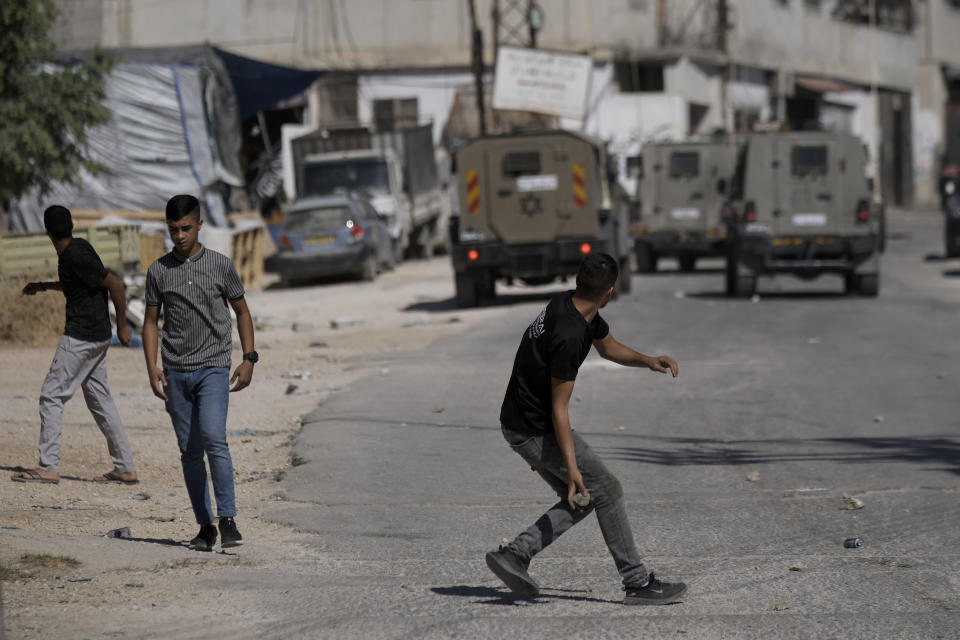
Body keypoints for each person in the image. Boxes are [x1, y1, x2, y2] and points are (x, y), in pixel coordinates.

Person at [487, 253, 687, 605]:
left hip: (520, 423)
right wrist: (574, 469)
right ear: (609, 291)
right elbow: (559, 409)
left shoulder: (569, 304)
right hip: (534, 429)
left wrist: (647, 360)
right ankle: (637, 583)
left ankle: (516, 555)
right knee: (605, 489)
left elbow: (608, 347)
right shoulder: (569, 334)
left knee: (583, 498)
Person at [142, 194, 257, 552]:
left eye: (186, 228)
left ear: (200, 225)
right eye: (173, 230)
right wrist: (151, 367)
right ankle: (205, 526)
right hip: (176, 372)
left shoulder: (221, 265)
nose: (179, 236)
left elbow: (241, 311)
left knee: (213, 436)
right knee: (189, 452)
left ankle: (228, 519)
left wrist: (249, 358)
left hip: (213, 367)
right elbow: (150, 322)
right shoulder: (158, 271)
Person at [12, 205, 138, 485]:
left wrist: (124, 326)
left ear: (47, 231)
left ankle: (48, 467)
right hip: (97, 336)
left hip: (82, 336)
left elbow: (114, 284)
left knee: (51, 395)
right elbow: (78, 284)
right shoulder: (77, 249)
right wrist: (43, 286)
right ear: (71, 226)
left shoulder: (74, 255)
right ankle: (125, 467)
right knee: (100, 400)